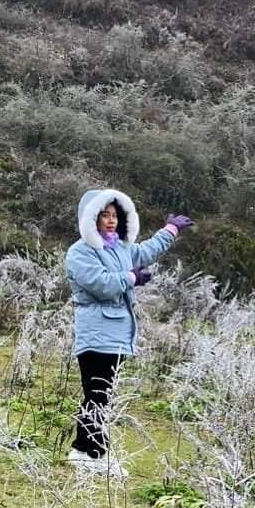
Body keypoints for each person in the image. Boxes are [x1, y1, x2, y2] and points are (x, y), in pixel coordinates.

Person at [65, 188, 193, 475]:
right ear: (91, 219)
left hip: (116, 334)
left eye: (114, 216)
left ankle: (81, 450)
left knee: (101, 394)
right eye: (104, 216)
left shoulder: (120, 248)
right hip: (96, 333)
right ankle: (96, 455)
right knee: (98, 393)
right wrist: (131, 277)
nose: (111, 221)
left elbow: (146, 250)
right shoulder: (80, 252)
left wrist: (170, 230)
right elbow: (100, 284)